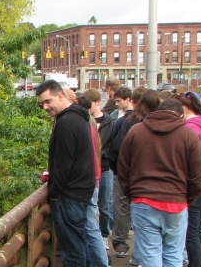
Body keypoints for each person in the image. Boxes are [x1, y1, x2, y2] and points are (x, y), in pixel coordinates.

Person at [118, 98, 201, 267]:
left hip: (143, 199)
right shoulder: (188, 135)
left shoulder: (136, 131)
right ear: (180, 114)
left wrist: (133, 194)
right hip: (176, 201)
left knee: (150, 254)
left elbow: (123, 169)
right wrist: (186, 199)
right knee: (173, 254)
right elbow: (197, 177)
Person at [36, 80, 97, 266]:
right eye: (41, 104)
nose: (45, 107)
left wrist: (54, 192)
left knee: (72, 251)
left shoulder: (66, 123)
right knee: (79, 244)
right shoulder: (80, 117)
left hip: (68, 197)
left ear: (60, 96)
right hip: (80, 192)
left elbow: (64, 164)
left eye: (48, 101)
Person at [171, 92, 201, 267]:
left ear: (183, 108)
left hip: (194, 182)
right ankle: (198, 263)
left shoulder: (190, 129)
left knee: (191, 232)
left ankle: (196, 263)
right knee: (196, 231)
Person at [75, 94, 110, 267]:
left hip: (87, 181)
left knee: (89, 226)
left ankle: (101, 263)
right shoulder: (90, 122)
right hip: (93, 178)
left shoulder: (83, 123)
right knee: (90, 224)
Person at [83, 88, 116, 250]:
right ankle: (94, 235)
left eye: (91, 105)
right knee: (92, 205)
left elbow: (112, 144)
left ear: (97, 103)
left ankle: (104, 234)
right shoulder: (85, 121)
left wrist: (102, 153)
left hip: (105, 167)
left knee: (104, 203)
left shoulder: (109, 121)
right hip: (91, 168)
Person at [107, 86, 137, 259]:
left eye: (119, 101)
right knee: (136, 208)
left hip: (123, 171)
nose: (117, 104)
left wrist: (116, 168)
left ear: (129, 99)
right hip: (137, 173)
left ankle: (120, 243)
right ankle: (130, 246)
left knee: (122, 207)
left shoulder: (122, 121)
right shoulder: (116, 118)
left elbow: (114, 147)